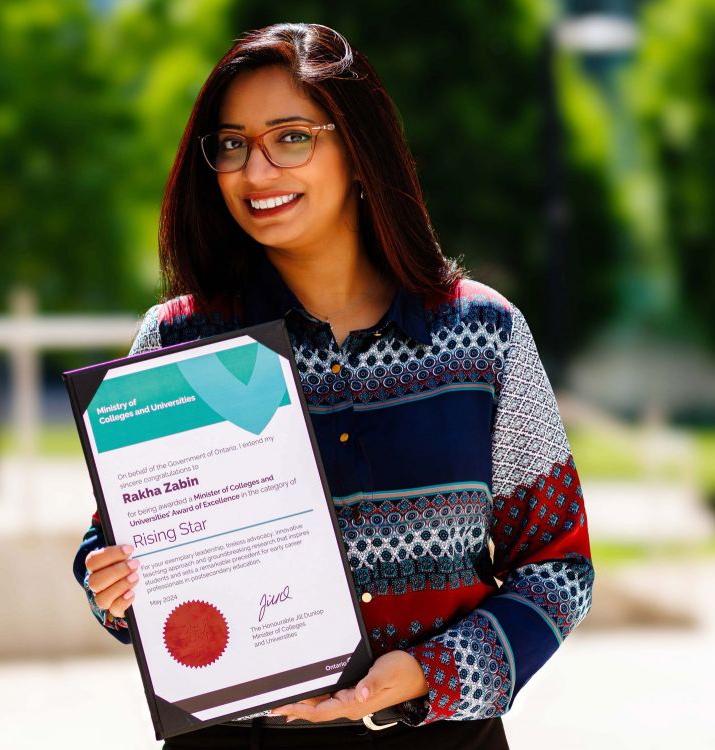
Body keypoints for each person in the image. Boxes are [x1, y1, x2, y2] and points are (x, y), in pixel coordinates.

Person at [71, 22, 593, 750]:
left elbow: (557, 565)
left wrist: (428, 675)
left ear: (357, 151)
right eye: (231, 145)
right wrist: (110, 585)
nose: (256, 174)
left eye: (290, 138)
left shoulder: (484, 336)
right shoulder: (177, 344)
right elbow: (116, 551)